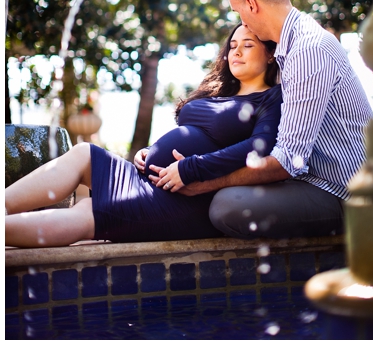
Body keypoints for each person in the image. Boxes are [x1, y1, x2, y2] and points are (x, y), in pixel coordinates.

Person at [137, 0, 372, 239]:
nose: (242, 22)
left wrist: (201, 180)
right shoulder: (289, 50)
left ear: (250, 3)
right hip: (310, 180)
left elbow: (287, 161)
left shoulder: (308, 52)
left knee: (227, 206)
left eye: (238, 11)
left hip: (345, 192)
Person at [6, 24, 282, 247]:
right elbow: (194, 132)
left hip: (188, 198)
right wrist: (151, 149)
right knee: (83, 154)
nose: (236, 52)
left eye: (248, 45)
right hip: (151, 178)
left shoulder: (271, 98)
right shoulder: (219, 92)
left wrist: (190, 167)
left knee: (89, 212)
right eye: (232, 46)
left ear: (270, 54)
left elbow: (260, 147)